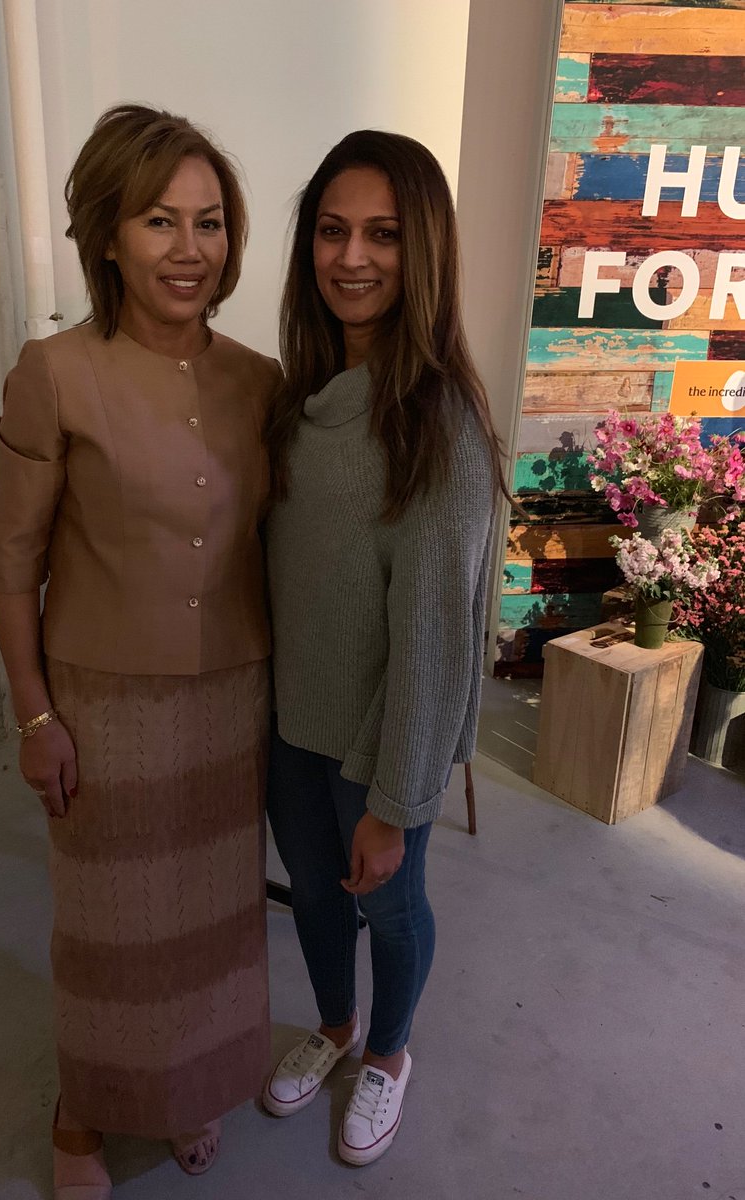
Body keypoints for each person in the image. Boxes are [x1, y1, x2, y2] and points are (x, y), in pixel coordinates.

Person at [0, 104, 279, 1198]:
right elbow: (10, 561)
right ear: (107, 235)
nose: (190, 248)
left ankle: (184, 1083)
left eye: (210, 222)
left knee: (208, 924)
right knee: (112, 933)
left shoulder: (260, 380)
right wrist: (34, 715)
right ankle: (83, 1112)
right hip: (101, 705)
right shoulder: (56, 371)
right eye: (160, 220)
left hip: (232, 695)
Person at [262, 130, 506, 1166]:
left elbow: (436, 642)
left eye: (383, 235)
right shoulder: (298, 403)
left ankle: (390, 1054)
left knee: (393, 910)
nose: (351, 257)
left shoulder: (436, 426)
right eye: (332, 231)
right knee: (315, 900)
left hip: (378, 747)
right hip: (291, 728)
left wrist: (396, 802)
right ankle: (335, 1025)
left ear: (426, 252)